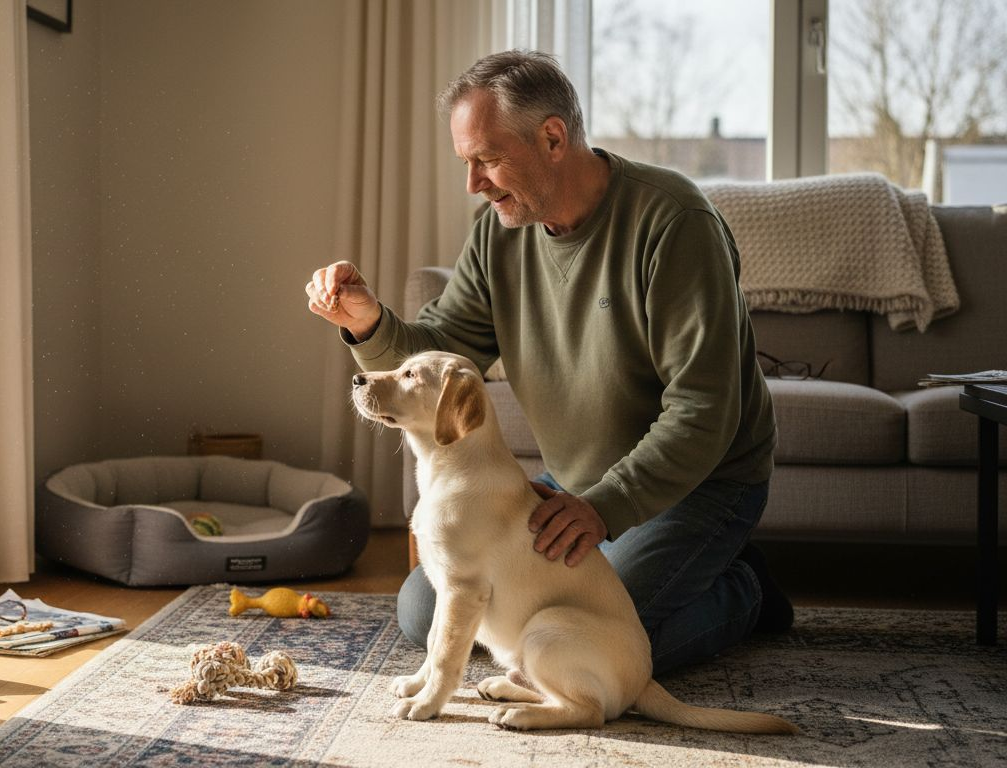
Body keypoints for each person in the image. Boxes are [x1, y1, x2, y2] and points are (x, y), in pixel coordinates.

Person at [304, 50, 793, 676]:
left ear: (553, 138)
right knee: (429, 614)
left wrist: (605, 507)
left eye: (487, 158)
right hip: (571, 485)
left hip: (699, 484)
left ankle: (745, 590)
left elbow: (704, 411)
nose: (473, 183)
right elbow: (441, 355)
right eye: (466, 162)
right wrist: (367, 323)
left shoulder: (674, 223)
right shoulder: (497, 234)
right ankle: (688, 573)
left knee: (607, 649)